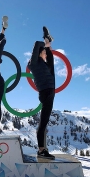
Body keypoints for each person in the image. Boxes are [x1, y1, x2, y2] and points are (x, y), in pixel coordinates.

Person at [27, 26, 55, 159]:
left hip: (50, 90)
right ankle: (41, 150)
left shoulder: (44, 64)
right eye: (43, 52)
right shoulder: (33, 63)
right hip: (45, 92)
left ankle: (48, 38)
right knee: (43, 122)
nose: (45, 53)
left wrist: (48, 46)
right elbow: (36, 45)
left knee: (52, 62)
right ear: (39, 53)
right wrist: (44, 41)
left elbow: (50, 59)